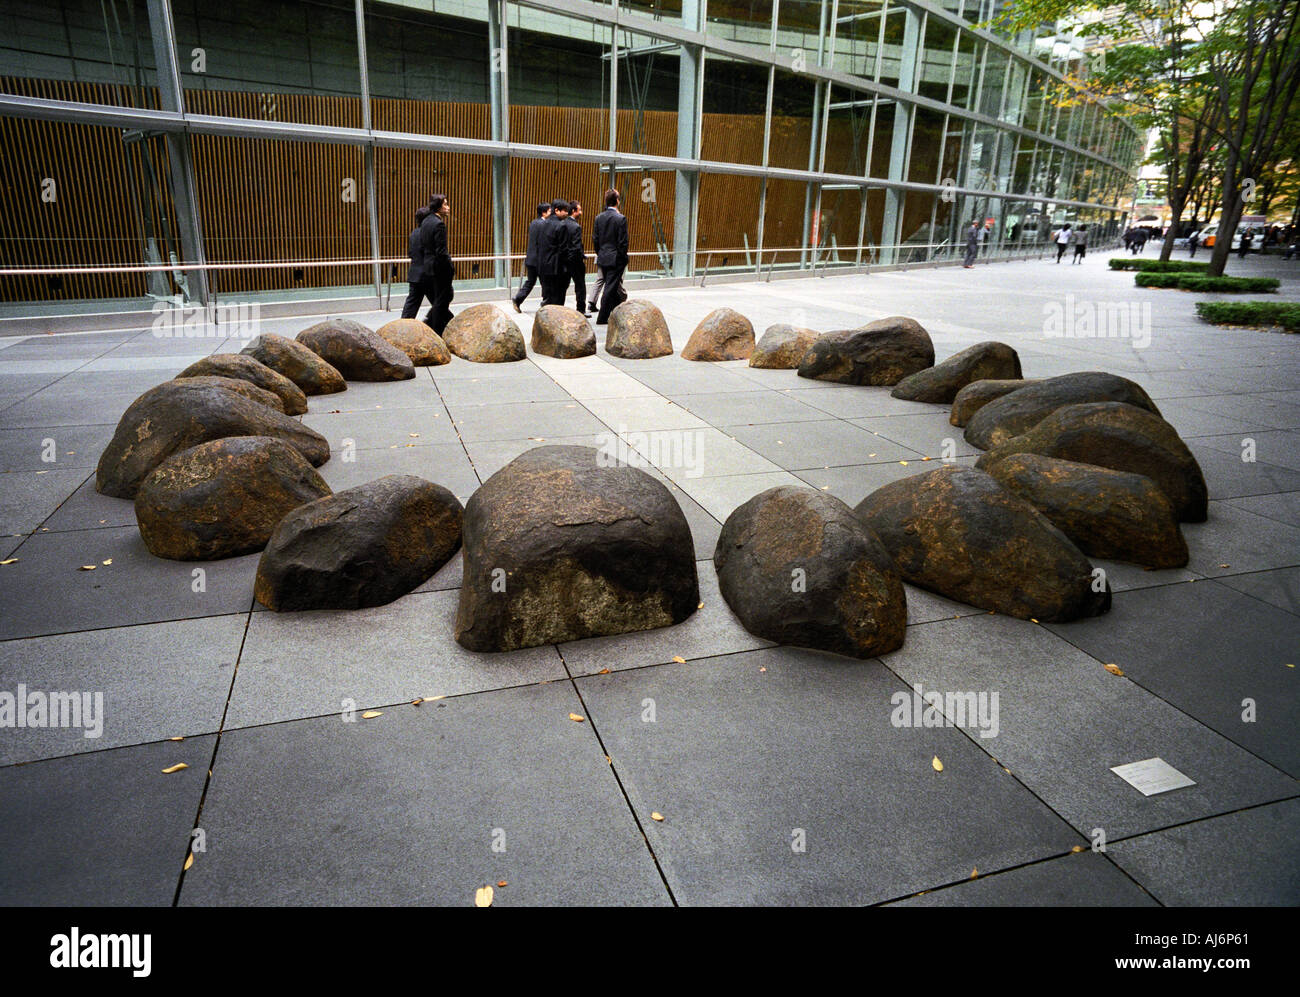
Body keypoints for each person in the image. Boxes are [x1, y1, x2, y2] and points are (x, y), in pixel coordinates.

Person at [418, 193, 455, 333]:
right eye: (445, 204)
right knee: (443, 300)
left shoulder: (426, 221)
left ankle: (431, 322)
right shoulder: (439, 224)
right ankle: (436, 329)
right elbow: (441, 251)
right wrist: (450, 267)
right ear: (438, 207)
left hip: (428, 267)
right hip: (440, 269)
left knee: (440, 299)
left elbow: (423, 247)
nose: (448, 207)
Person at [592, 187, 629, 325]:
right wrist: (621, 257)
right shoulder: (620, 219)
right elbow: (623, 242)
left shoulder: (599, 218)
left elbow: (595, 239)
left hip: (603, 256)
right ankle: (602, 317)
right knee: (610, 287)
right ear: (617, 201)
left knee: (611, 287)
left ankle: (615, 313)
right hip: (615, 259)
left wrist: (600, 253)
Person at [512, 202, 550, 313]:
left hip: (531, 258)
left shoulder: (533, 223)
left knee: (530, 281)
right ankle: (546, 303)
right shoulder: (544, 224)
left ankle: (518, 299)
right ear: (544, 212)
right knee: (546, 282)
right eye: (549, 211)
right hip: (540, 259)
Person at [538, 199, 575, 306]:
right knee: (558, 297)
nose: (567, 213)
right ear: (557, 210)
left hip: (544, 266)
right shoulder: (561, 225)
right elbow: (563, 249)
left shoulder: (544, 224)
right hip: (557, 268)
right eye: (565, 211)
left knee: (548, 296)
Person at [400, 205, 432, 321]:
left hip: (415, 275)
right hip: (428, 275)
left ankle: (402, 328)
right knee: (440, 303)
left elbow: (411, 253)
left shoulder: (414, 233)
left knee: (410, 307)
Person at [568, 200, 589, 316]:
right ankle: (581, 309)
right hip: (575, 261)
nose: (581, 212)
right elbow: (576, 246)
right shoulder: (576, 227)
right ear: (573, 211)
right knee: (580, 286)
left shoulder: (563, 224)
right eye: (579, 210)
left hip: (565, 261)